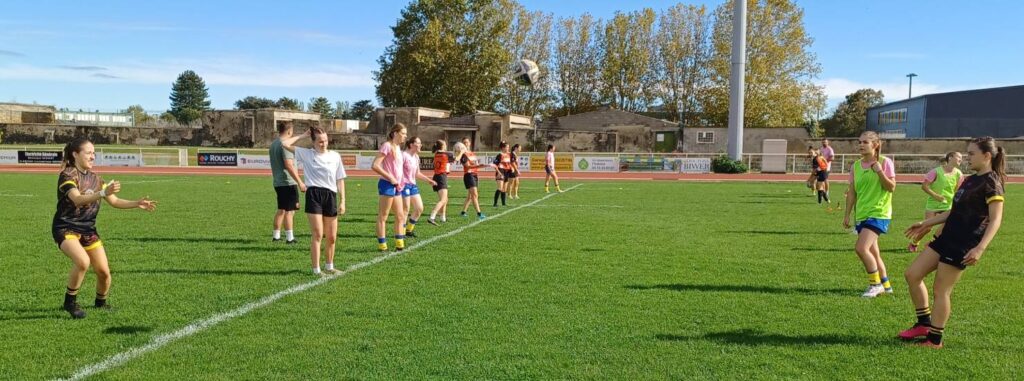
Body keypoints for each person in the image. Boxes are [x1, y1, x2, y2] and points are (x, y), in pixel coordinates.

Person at [901, 137, 1005, 348]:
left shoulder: (992, 182)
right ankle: (923, 324)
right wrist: (925, 223)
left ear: (986, 156)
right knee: (912, 274)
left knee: (941, 290)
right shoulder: (969, 179)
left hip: (963, 243)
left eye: (971, 154)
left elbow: (996, 220)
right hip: (946, 237)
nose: (967, 158)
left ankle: (934, 340)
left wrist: (980, 248)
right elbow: (953, 211)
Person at [53, 137, 157, 318]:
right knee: (83, 262)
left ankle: (100, 303)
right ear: (75, 154)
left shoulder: (96, 179)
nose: (92, 156)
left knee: (104, 273)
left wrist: (137, 203)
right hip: (66, 227)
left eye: (94, 153)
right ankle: (70, 302)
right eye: (88, 153)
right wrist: (102, 193)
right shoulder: (68, 175)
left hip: (88, 229)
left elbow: (115, 201)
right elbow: (77, 199)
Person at [282, 127, 347, 275]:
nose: (323, 144)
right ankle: (316, 270)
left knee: (331, 237)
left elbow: (340, 179)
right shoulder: (306, 154)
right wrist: (302, 135)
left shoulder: (335, 156)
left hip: (330, 195)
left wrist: (343, 201)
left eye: (325, 140)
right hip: (314, 195)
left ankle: (330, 266)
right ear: (313, 142)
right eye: (320, 141)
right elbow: (285, 143)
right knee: (318, 234)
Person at [842, 131, 896, 298]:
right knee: (874, 253)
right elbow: (852, 193)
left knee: (861, 248)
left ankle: (875, 284)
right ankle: (886, 285)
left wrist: (879, 171)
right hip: (862, 214)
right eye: (859, 142)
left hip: (879, 213)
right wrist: (847, 215)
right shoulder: (855, 166)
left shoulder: (885, 162)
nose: (861, 145)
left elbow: (891, 187)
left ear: (875, 145)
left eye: (865, 142)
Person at [908, 152, 963, 252]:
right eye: (959, 157)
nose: (961, 159)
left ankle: (933, 244)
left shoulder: (959, 174)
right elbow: (924, 186)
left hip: (948, 205)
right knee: (927, 228)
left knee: (949, 226)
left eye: (961, 158)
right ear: (950, 158)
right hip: (933, 204)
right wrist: (935, 196)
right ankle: (914, 242)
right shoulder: (936, 171)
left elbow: (957, 190)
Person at [372, 124, 408, 251]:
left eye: (405, 134)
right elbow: (375, 165)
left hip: (397, 186)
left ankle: (399, 244)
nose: (405, 136)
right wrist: (390, 178)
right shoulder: (387, 146)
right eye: (403, 133)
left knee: (400, 215)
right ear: (395, 133)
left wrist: (400, 181)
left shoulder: (398, 148)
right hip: (386, 184)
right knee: (383, 215)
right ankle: (382, 245)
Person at [269, 121, 306, 244]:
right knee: (290, 211)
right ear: (289, 131)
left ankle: (276, 236)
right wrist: (300, 182)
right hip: (287, 182)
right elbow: (289, 165)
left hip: (278, 181)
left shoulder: (274, 143)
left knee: (282, 209)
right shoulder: (285, 145)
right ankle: (290, 238)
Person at [401, 137, 437, 237]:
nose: (421, 145)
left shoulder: (416, 157)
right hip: (403, 185)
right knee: (405, 210)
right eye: (418, 143)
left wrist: (429, 180)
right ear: (411, 145)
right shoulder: (403, 155)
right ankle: (401, 232)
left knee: (419, 208)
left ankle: (409, 230)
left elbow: (417, 173)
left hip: (412, 185)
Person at [456, 141, 485, 219]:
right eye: (464, 143)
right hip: (469, 175)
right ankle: (479, 214)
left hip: (475, 175)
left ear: (470, 143)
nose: (466, 144)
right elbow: (467, 166)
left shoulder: (472, 153)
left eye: (467, 142)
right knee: (475, 195)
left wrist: (478, 166)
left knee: (470, 196)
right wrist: (478, 166)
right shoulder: (463, 155)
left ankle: (463, 212)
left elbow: (474, 164)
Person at [427, 140, 454, 225]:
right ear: (442, 146)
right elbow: (457, 158)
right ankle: (432, 216)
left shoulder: (436, 154)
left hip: (437, 176)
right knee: (443, 200)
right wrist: (462, 151)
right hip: (441, 177)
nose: (446, 145)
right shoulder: (446, 154)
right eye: (445, 144)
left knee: (445, 199)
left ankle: (443, 218)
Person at [492, 142, 513, 207]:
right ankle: (495, 203)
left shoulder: (509, 155)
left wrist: (511, 168)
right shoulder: (500, 155)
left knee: (504, 189)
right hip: (500, 171)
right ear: (503, 148)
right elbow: (495, 165)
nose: (508, 148)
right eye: (507, 147)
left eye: (508, 147)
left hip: (506, 172)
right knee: (500, 188)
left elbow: (509, 163)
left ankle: (503, 203)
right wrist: (498, 172)